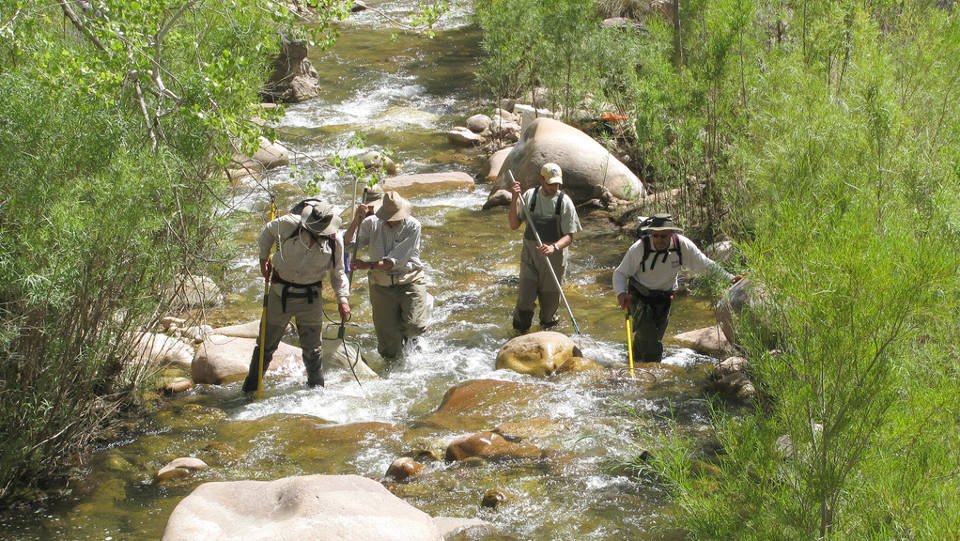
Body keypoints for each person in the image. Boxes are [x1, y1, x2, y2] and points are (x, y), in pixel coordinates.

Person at [242, 199, 351, 392]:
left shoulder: (335, 239)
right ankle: (249, 391)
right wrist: (262, 259)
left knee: (313, 351)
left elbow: (338, 272)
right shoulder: (289, 223)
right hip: (279, 294)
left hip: (310, 299)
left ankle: (316, 392)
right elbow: (268, 231)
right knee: (265, 347)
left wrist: (343, 299)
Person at [612, 213, 739, 363]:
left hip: (664, 299)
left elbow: (705, 265)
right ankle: (654, 376)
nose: (659, 240)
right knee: (652, 345)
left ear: (672, 233)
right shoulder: (639, 248)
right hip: (639, 297)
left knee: (650, 339)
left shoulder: (682, 246)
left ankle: (634, 362)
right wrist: (621, 294)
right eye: (655, 236)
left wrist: (729, 278)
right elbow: (620, 273)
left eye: (663, 236)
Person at [345, 191, 430, 360]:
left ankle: (411, 336)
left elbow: (394, 261)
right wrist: (356, 221)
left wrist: (366, 265)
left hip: (408, 278)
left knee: (414, 326)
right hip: (381, 284)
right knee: (389, 350)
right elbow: (348, 244)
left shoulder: (413, 226)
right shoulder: (371, 223)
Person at [507, 162, 582, 332]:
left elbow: (569, 236)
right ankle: (518, 336)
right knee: (524, 302)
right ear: (541, 180)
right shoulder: (529, 196)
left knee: (549, 311)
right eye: (551, 184)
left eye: (557, 184)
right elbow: (513, 225)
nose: (555, 187)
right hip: (530, 259)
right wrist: (513, 198)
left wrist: (554, 247)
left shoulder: (565, 202)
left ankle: (549, 340)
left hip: (554, 260)